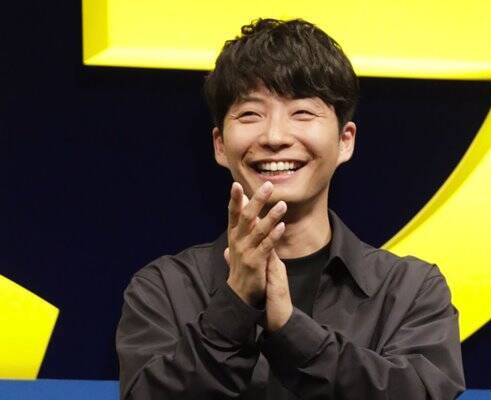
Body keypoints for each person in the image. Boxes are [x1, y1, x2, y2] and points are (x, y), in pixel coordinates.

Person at [116, 18, 465, 400]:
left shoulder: (410, 292)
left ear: (345, 141)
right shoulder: (164, 289)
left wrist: (291, 330)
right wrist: (235, 306)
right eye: (250, 114)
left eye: (302, 113)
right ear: (219, 145)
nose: (275, 137)